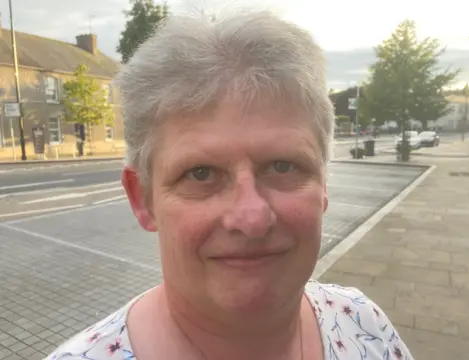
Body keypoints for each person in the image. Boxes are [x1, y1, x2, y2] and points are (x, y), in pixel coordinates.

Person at [45, 8, 413, 360]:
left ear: (324, 185)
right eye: (201, 173)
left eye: (283, 166)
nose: (251, 218)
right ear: (143, 198)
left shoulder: (366, 325)